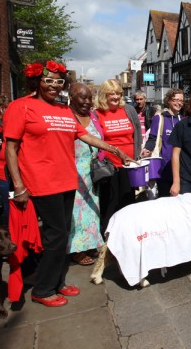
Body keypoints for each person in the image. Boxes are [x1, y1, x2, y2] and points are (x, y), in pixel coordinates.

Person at [5, 61, 133, 307]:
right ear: (36, 81)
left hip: (67, 181)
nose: (53, 86)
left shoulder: (63, 110)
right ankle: (43, 289)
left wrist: (117, 150)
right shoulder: (21, 107)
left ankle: (55, 282)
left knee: (61, 236)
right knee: (55, 236)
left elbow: (85, 136)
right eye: (48, 80)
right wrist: (19, 185)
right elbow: (11, 147)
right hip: (41, 182)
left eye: (58, 81)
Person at [94, 79, 143, 235]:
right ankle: (107, 234)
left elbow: (137, 134)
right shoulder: (97, 113)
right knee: (110, 202)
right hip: (109, 166)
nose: (115, 97)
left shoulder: (128, 110)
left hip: (129, 165)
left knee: (127, 201)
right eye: (111, 94)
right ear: (104, 95)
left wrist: (137, 155)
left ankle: (126, 233)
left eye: (118, 93)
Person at [68, 83, 104, 266]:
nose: (87, 101)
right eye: (83, 97)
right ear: (71, 96)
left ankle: (90, 243)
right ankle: (77, 249)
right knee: (77, 211)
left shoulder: (93, 116)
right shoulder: (67, 116)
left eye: (90, 98)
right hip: (73, 170)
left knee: (92, 209)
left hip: (92, 171)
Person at [141, 89, 184, 197]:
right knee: (165, 198)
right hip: (164, 166)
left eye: (181, 101)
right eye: (175, 100)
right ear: (168, 101)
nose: (178, 103)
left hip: (180, 166)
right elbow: (152, 137)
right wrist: (147, 148)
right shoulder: (160, 118)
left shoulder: (182, 120)